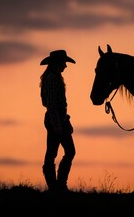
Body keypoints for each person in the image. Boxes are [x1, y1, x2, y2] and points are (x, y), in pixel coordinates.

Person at [39, 49, 76, 193]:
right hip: (56, 120)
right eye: (63, 63)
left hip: (58, 119)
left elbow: (49, 104)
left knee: (54, 152)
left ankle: (57, 186)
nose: (65, 66)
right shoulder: (53, 79)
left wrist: (64, 120)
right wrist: (58, 125)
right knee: (63, 151)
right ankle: (57, 186)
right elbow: (52, 105)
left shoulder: (53, 78)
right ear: (57, 63)